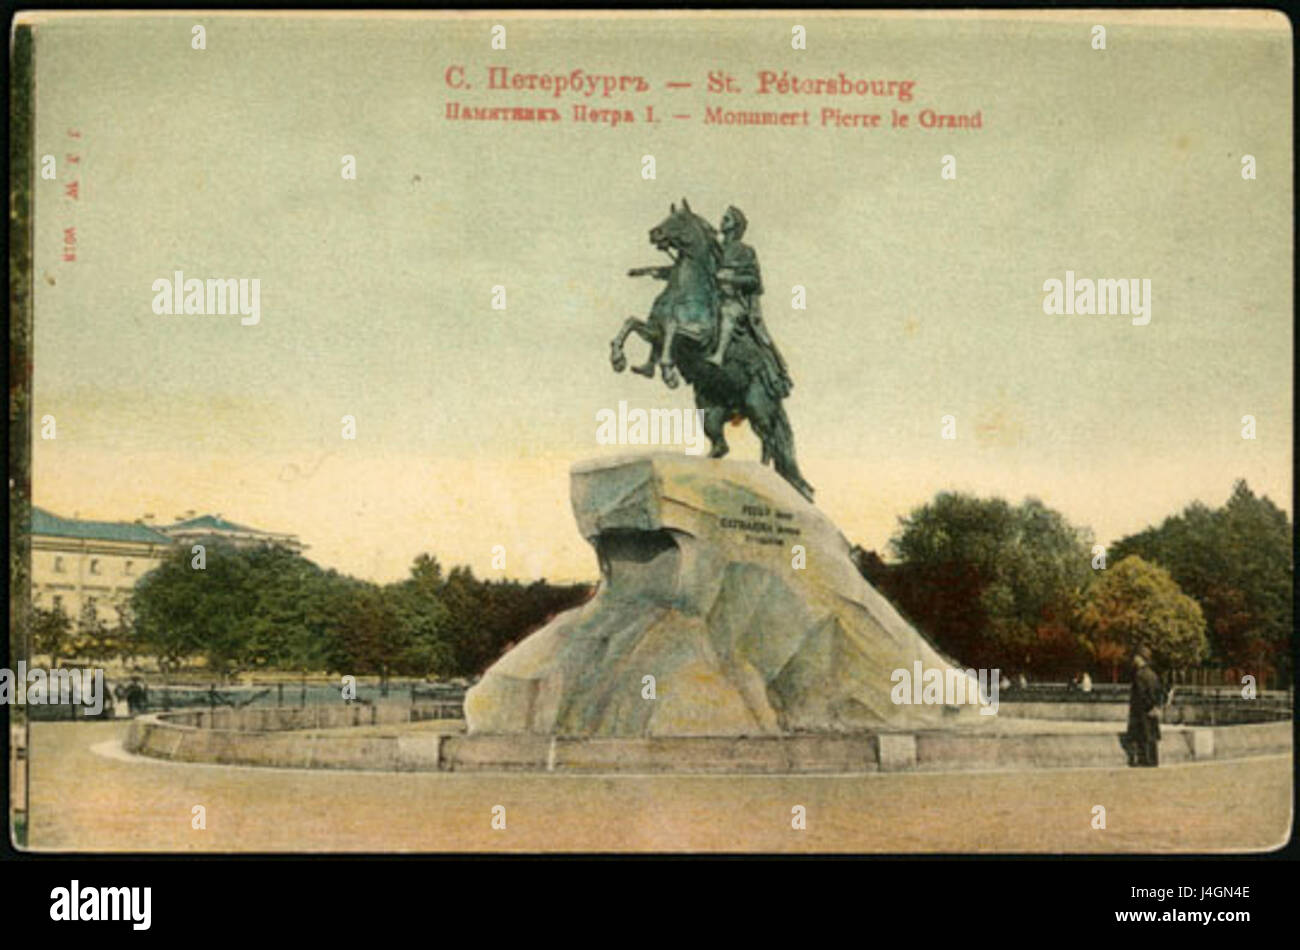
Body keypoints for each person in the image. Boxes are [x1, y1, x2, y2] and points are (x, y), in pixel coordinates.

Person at [707, 207, 793, 397]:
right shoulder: (714, 249)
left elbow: (754, 281)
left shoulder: (745, 251)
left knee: (728, 312)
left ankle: (719, 355)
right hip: (710, 299)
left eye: (727, 219)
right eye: (723, 218)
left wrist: (730, 279)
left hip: (734, 301)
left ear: (736, 226)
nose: (722, 221)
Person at [1125, 644, 1164, 767]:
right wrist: (1156, 706)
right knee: (1151, 736)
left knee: (1142, 736)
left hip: (1142, 711)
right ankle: (1153, 760)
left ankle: (1144, 760)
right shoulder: (1152, 674)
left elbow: (1141, 694)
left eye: (1136, 657)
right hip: (1152, 709)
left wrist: (1148, 706)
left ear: (1140, 658)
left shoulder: (1139, 675)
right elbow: (1158, 692)